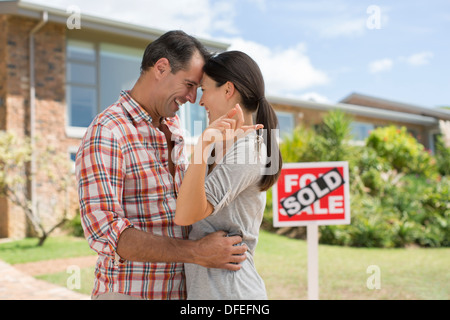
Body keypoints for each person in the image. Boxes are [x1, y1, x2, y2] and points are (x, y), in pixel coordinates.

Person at [75, 31, 248, 300]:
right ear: (161, 68)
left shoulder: (174, 127)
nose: (193, 98)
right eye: (189, 85)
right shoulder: (108, 131)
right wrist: (197, 251)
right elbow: (105, 232)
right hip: (129, 294)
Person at [174, 51, 283, 299]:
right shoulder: (222, 145)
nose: (200, 101)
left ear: (227, 90)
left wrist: (202, 144)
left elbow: (186, 214)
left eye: (204, 89)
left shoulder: (250, 150)